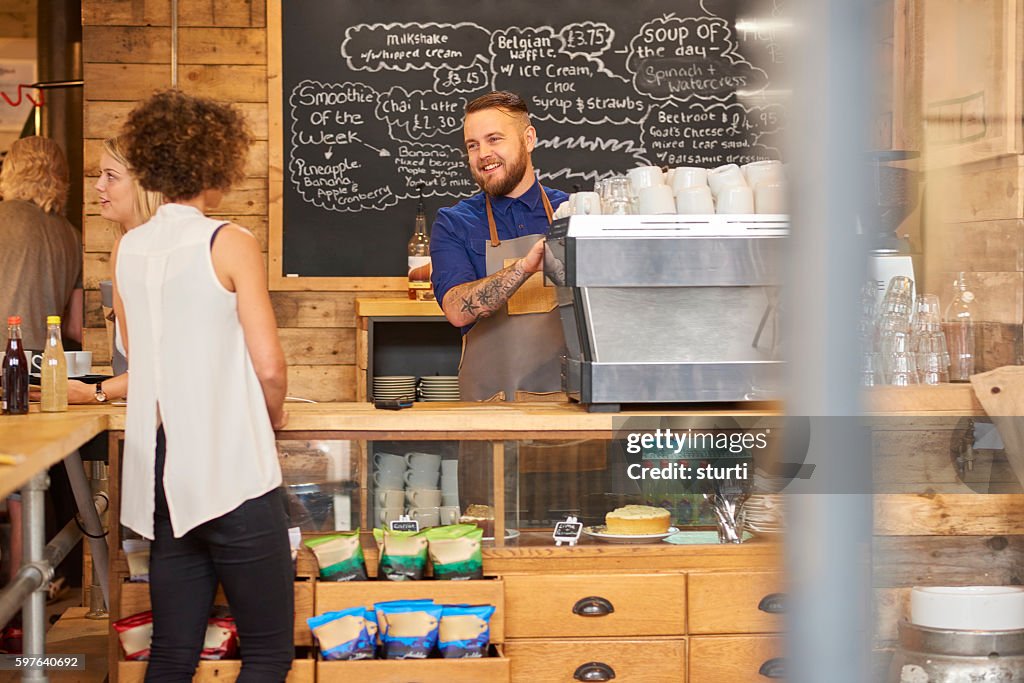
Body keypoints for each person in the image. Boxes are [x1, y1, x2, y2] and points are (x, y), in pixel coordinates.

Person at [114, 90, 292, 682]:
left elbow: (141, 359)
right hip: (233, 467)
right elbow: (269, 367)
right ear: (216, 164)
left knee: (171, 651)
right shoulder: (229, 240)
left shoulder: (129, 248)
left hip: (165, 473)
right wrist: (268, 416)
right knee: (268, 654)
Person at [430, 91, 569, 402]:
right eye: (473, 145)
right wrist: (524, 266)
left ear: (528, 139)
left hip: (569, 407)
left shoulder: (572, 214)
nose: (483, 154)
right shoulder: (454, 223)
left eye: (494, 139)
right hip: (487, 413)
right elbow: (456, 310)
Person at [0, 136, 82, 352]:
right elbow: (75, 327)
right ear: (62, 177)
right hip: (42, 363)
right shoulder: (73, 237)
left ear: (9, 171)